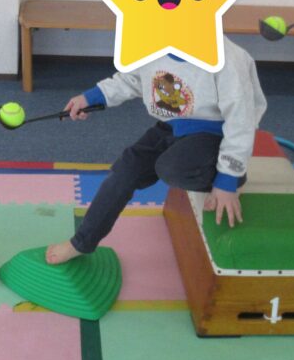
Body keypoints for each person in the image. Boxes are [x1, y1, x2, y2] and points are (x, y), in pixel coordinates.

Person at [45, 38, 267, 264]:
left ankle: (231, 175)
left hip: (214, 132)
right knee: (125, 170)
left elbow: (241, 121)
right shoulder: (155, 44)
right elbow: (131, 79)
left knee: (171, 168)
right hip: (171, 127)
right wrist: (89, 98)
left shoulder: (228, 58)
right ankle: (81, 242)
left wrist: (227, 180)